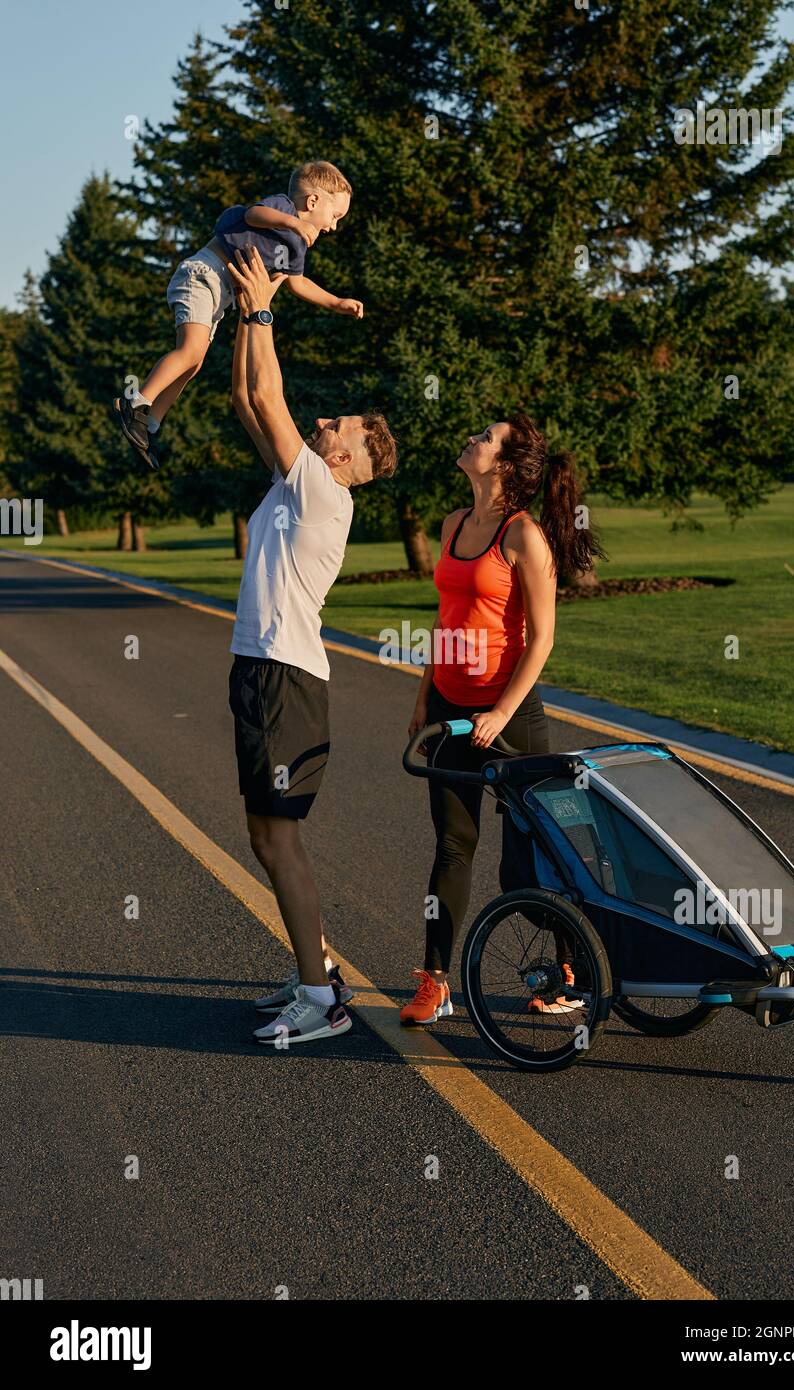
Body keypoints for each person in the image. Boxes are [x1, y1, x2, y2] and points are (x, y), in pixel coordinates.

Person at [226, 246, 396, 1045]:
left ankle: (320, 999)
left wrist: (262, 307)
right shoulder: (299, 485)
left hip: (285, 681)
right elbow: (244, 395)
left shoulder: (323, 493)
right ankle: (315, 969)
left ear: (347, 462)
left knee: (276, 835)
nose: (328, 421)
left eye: (343, 428)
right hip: (266, 670)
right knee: (266, 834)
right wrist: (240, 310)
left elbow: (270, 390)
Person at [401, 415, 602, 1025]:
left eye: (485, 437)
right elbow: (445, 621)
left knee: (524, 862)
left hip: (509, 718)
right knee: (452, 846)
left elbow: (541, 641)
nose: (471, 438)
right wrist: (422, 698)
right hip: (449, 712)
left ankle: (570, 964)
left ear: (506, 466)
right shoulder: (454, 523)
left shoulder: (524, 537)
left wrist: (500, 712)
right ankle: (435, 982)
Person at [114, 161, 363, 469]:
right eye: (335, 216)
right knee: (189, 352)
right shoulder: (282, 208)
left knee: (194, 363)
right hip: (203, 274)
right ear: (312, 202)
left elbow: (297, 284)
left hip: (220, 294)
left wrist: (336, 302)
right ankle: (134, 401)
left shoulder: (296, 248)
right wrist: (294, 223)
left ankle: (150, 424)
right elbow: (252, 214)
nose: (334, 226)